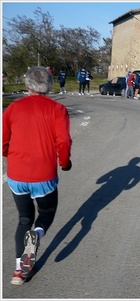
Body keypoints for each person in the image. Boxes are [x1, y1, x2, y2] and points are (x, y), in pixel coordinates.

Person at [2, 66, 72, 285]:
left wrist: (8, 153)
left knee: (24, 219)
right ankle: (38, 235)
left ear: (27, 85)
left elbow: (3, 140)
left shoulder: (13, 108)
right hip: (43, 173)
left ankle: (18, 272)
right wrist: (65, 162)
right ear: (50, 87)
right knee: (47, 211)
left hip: (17, 173)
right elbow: (63, 141)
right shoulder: (57, 109)